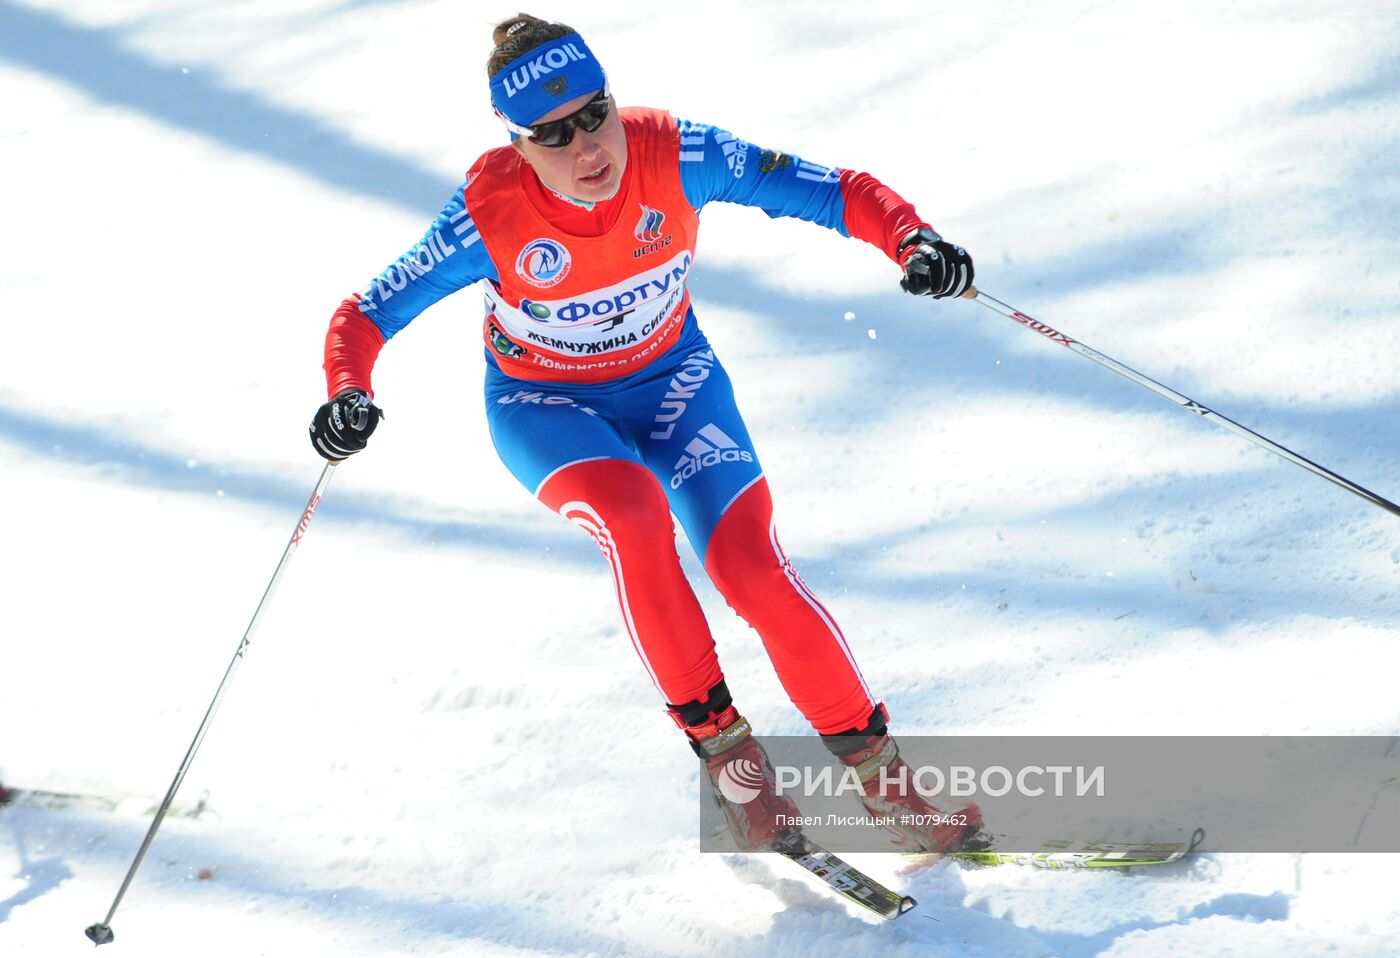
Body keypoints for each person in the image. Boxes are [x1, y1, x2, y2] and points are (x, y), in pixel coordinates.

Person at [311, 13, 979, 853]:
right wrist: (348, 393)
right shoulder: (489, 211)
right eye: (553, 135)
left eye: (596, 114)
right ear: (518, 144)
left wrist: (911, 240)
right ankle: (740, 781)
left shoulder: (675, 153)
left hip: (676, 385)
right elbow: (366, 313)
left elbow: (830, 188)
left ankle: (890, 791)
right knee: (633, 516)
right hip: (547, 409)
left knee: (753, 570)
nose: (588, 146)